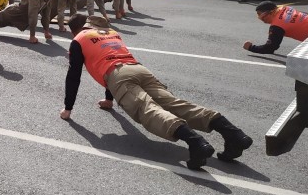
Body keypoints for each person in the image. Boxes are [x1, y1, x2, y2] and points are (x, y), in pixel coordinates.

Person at [61, 14, 253, 170]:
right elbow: (106, 58)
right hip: (139, 69)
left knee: (147, 110)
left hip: (119, 75)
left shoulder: (79, 39)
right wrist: (108, 99)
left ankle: (196, 143)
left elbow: (74, 75)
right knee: (174, 104)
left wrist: (68, 108)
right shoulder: (111, 33)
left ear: (75, 30)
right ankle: (234, 135)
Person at [243, 1, 308, 54]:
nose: (260, 19)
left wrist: (251, 47)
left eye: (260, 15)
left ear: (271, 12)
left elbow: (270, 48)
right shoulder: (285, 8)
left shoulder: (277, 25)